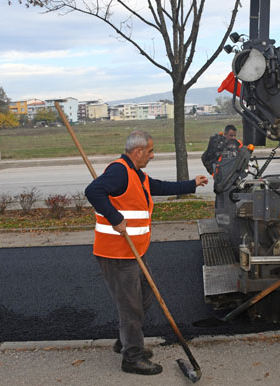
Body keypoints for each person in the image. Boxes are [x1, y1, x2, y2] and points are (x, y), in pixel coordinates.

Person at [85, 130, 209, 376]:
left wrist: (191, 184)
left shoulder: (136, 174)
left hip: (134, 251)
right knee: (131, 307)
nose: (152, 155)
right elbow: (93, 191)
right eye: (150, 151)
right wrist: (115, 218)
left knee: (146, 297)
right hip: (118, 254)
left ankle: (125, 341)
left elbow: (158, 186)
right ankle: (132, 357)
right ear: (138, 151)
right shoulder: (119, 171)